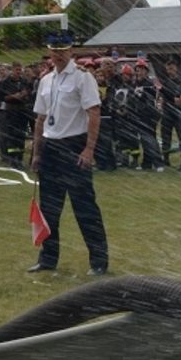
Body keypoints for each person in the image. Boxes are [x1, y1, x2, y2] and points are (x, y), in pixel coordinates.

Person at [27, 32, 109, 276]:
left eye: (63, 51)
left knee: (85, 208)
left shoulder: (83, 78)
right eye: (54, 50)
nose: (59, 55)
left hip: (74, 145)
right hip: (51, 148)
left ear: (71, 51)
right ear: (49, 52)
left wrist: (89, 148)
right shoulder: (46, 80)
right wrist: (37, 151)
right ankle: (48, 259)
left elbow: (93, 113)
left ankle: (99, 261)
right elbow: (41, 118)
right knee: (50, 208)